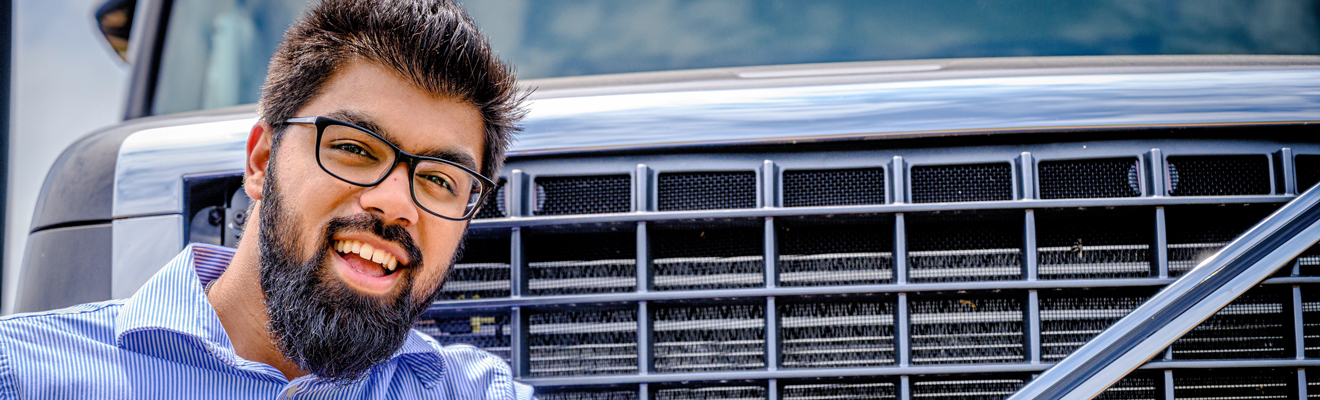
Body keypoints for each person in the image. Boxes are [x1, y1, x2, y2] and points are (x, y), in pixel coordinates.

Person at [0, 0, 529, 398]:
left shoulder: (479, 392)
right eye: (353, 148)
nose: (395, 204)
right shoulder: (22, 376)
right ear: (261, 161)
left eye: (440, 180)